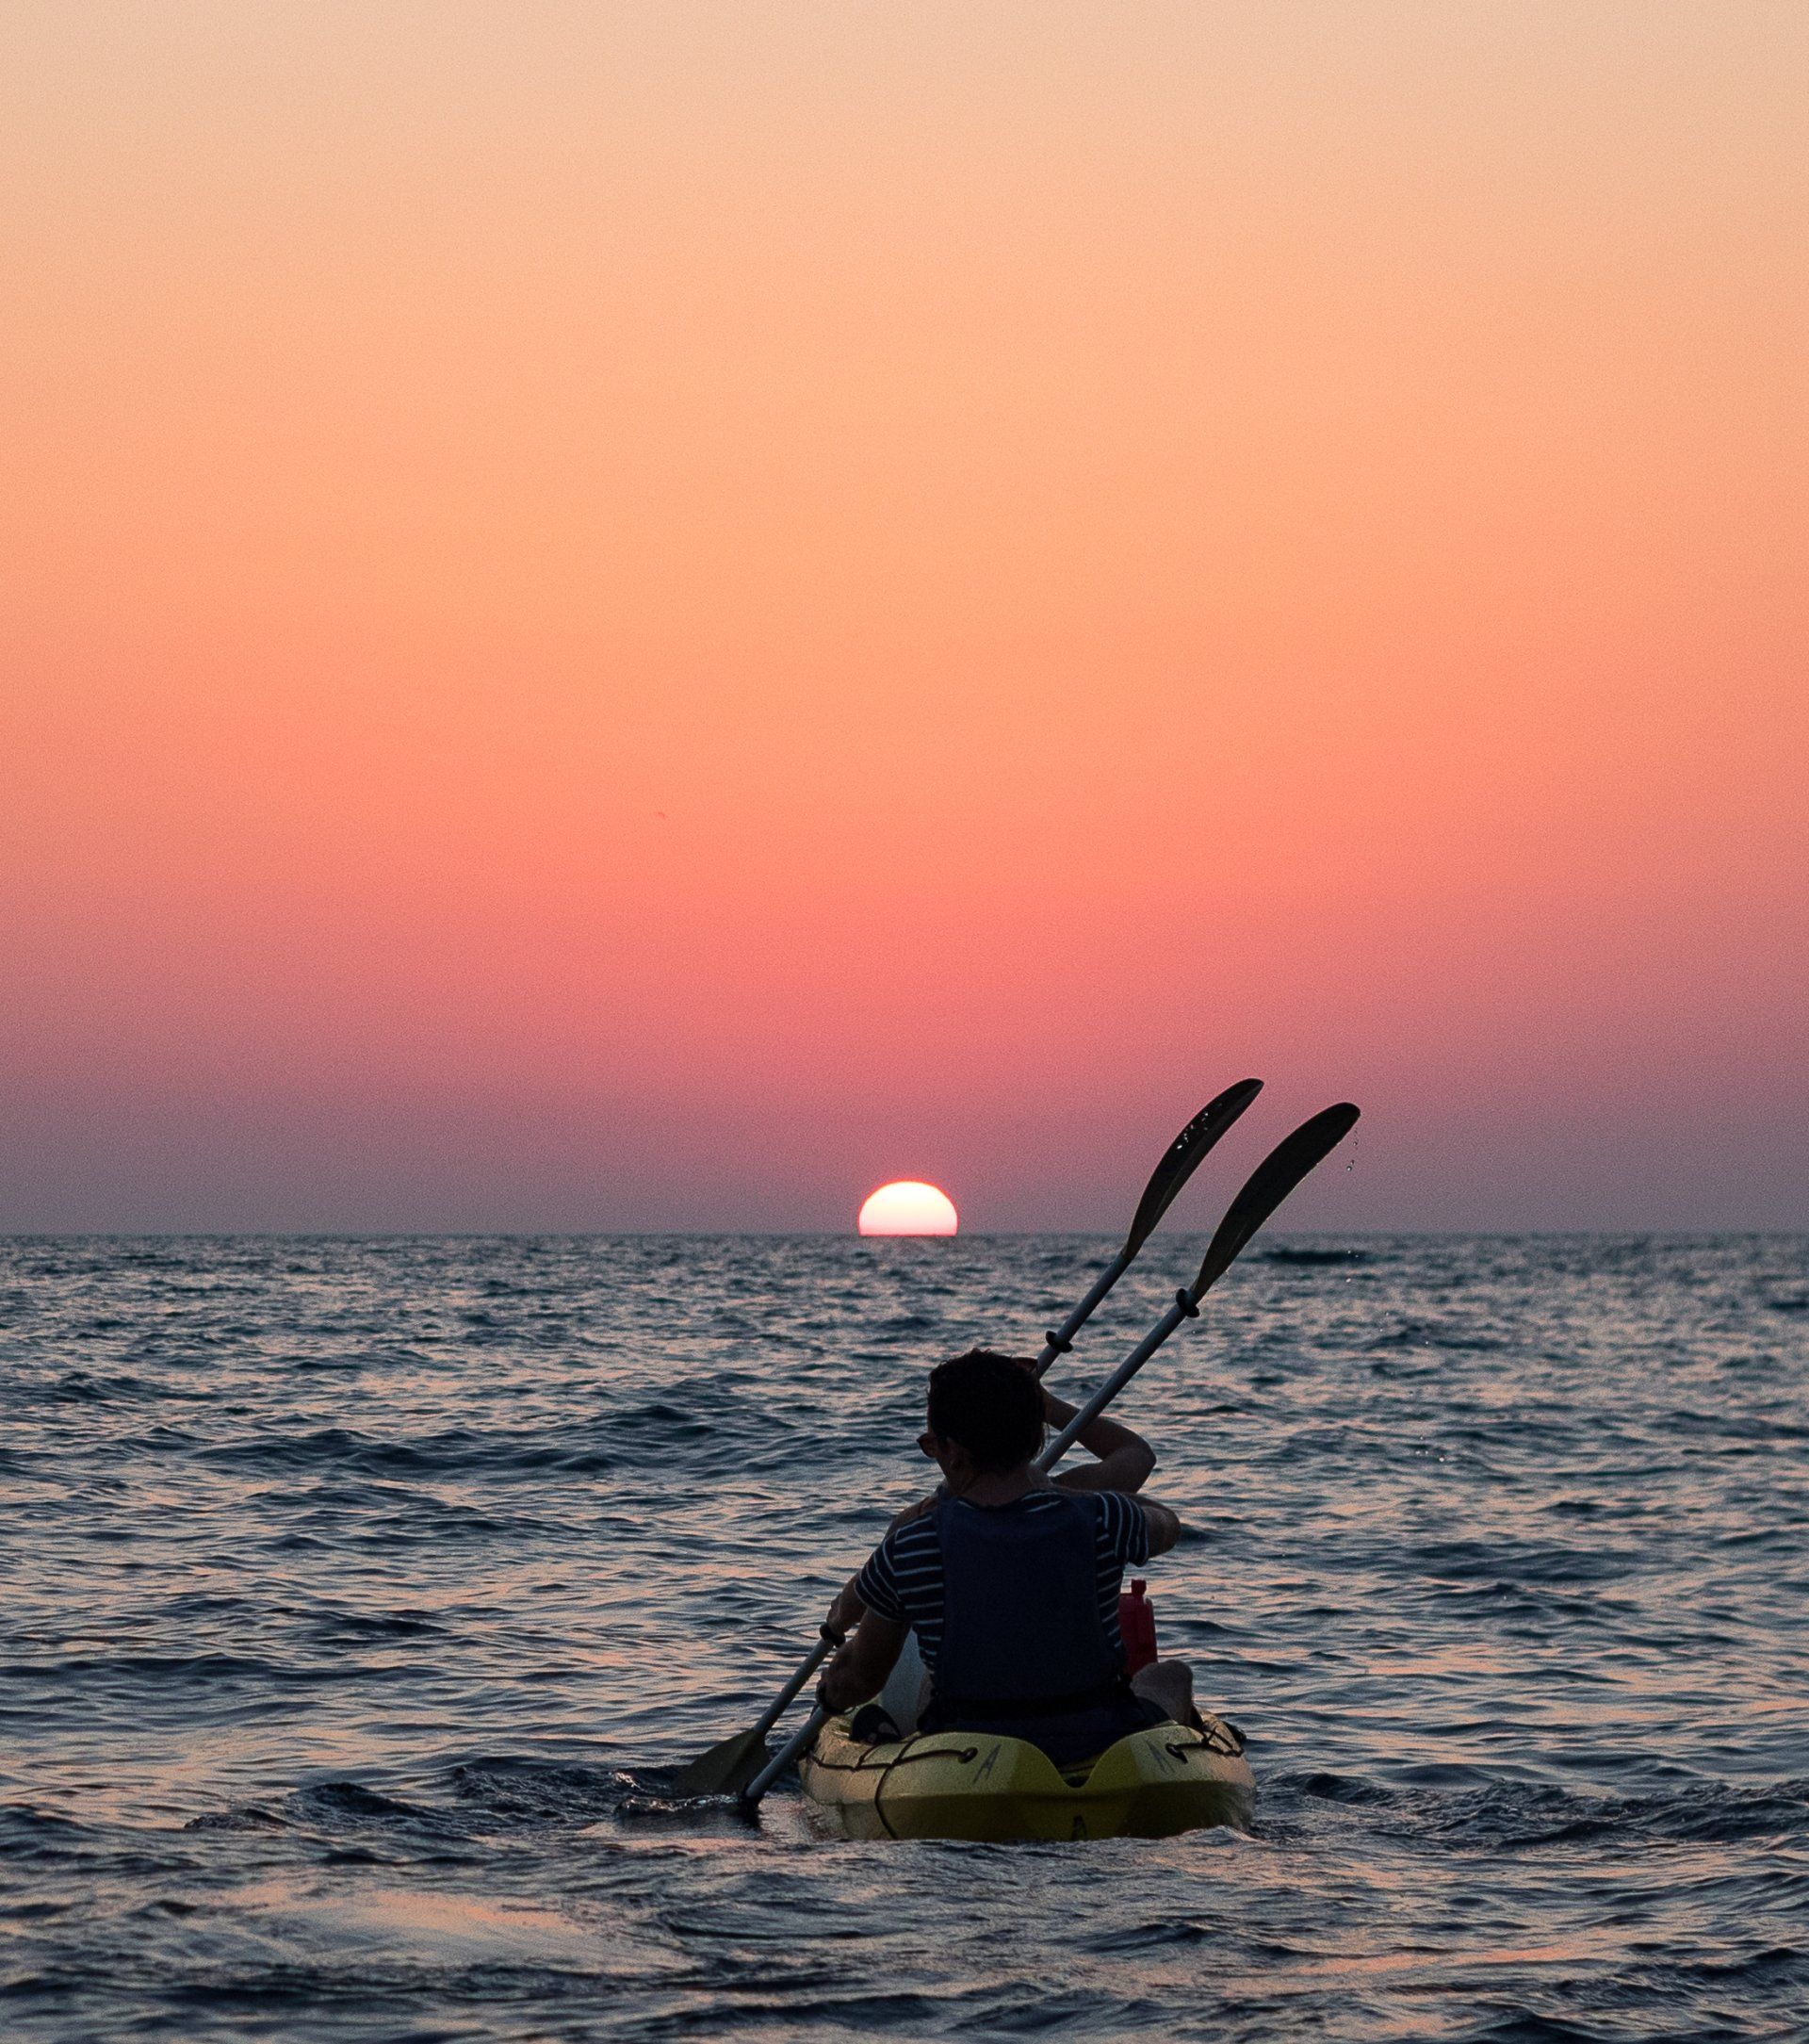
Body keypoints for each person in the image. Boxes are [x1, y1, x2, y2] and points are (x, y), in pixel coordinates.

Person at [818, 1348, 1199, 1766]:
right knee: (1171, 1676)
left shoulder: (912, 1542)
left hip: (965, 1747)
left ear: (951, 1450)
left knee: (900, 1698)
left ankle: (892, 1742)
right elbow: (1167, 1522)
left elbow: (859, 1678)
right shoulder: (1106, 1517)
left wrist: (829, 1692)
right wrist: (1073, 1497)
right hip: (1098, 1734)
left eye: (931, 1444)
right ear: (1035, 1436)